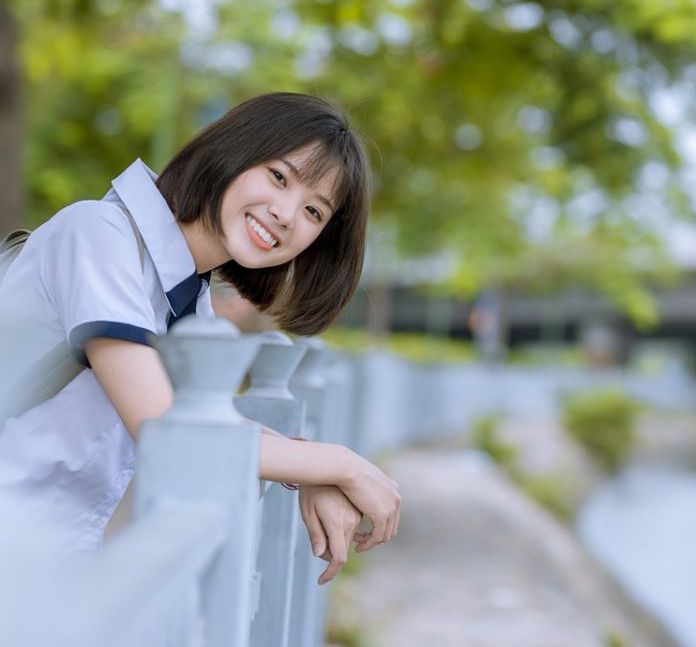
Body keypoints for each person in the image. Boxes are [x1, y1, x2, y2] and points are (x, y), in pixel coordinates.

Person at [0, 91, 400, 583]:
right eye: (279, 177)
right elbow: (167, 428)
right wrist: (337, 464)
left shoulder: (192, 306)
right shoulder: (100, 236)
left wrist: (309, 470)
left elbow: (210, 425)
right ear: (233, 151)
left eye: (314, 212)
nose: (287, 214)